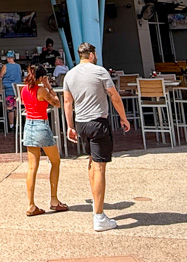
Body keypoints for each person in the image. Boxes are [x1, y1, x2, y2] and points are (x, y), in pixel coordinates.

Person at [63, 42, 131, 233]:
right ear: (92, 55)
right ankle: (99, 216)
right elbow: (114, 96)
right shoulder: (100, 71)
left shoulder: (70, 75)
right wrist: (123, 117)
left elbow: (67, 102)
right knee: (100, 166)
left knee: (92, 161)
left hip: (81, 123)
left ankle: (96, 204)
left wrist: (70, 126)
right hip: (98, 122)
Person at [21, 64, 68, 216]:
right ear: (41, 77)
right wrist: (49, 86)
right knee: (55, 161)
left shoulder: (24, 89)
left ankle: (31, 204)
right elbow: (57, 103)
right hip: (41, 125)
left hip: (29, 126)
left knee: (32, 167)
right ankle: (54, 200)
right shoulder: (41, 90)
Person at [1, 52, 24, 131]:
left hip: (9, 89)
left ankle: (11, 126)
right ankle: (18, 125)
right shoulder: (18, 66)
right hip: (17, 89)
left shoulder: (5, 66)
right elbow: (20, 75)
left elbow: (1, 76)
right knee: (16, 107)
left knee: (10, 107)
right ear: (14, 58)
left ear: (7, 58)